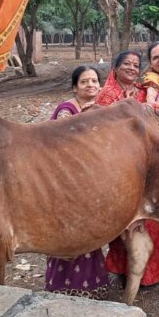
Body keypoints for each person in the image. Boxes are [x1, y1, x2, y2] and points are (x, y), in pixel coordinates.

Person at [97, 51, 159, 287]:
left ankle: (149, 274)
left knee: (148, 216)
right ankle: (121, 268)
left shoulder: (143, 92)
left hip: (146, 163)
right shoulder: (105, 95)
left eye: (136, 65)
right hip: (118, 165)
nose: (132, 68)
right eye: (126, 63)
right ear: (115, 68)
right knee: (122, 218)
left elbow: (155, 117)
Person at [44, 65, 109, 299]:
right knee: (70, 234)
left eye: (94, 81)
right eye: (84, 82)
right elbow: (60, 143)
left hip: (91, 181)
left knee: (90, 232)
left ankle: (90, 285)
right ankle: (63, 287)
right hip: (68, 184)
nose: (90, 85)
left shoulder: (100, 108)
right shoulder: (67, 110)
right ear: (74, 87)